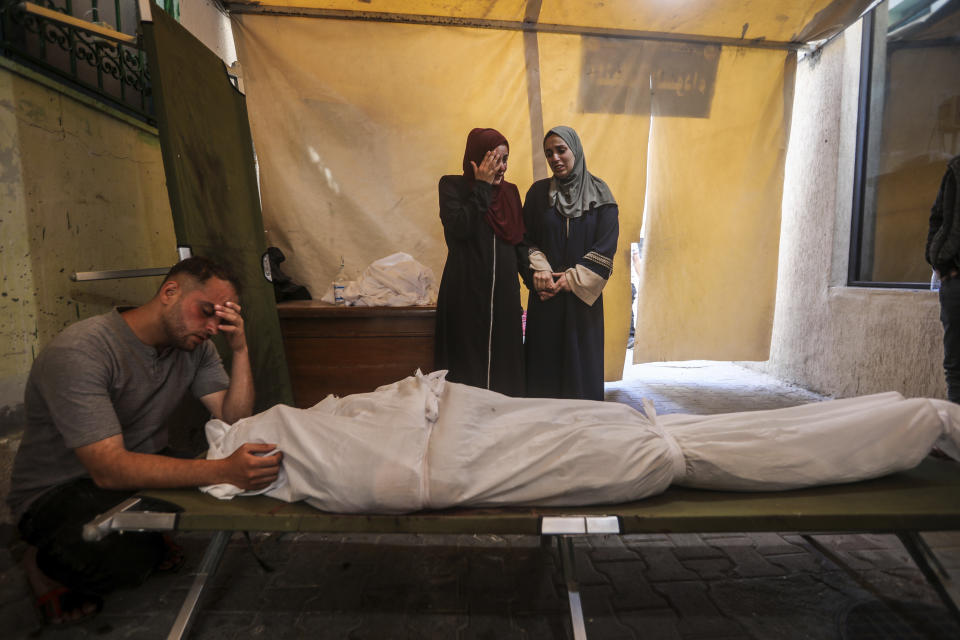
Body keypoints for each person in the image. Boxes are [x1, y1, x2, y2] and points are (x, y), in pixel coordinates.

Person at [201, 370, 960, 514]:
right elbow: (374, 473)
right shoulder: (258, 448)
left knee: (658, 437)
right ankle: (922, 420)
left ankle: (923, 419)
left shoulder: (256, 433)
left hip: (471, 429)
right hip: (461, 444)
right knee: (674, 444)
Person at [7, 256, 283, 625]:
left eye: (222, 318)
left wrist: (240, 350)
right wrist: (221, 471)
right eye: (207, 312)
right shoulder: (82, 351)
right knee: (123, 564)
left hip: (135, 469)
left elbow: (234, 420)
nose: (214, 327)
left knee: (220, 499)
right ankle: (42, 564)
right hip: (60, 488)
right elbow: (108, 469)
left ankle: (146, 533)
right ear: (170, 292)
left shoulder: (195, 347)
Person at [522, 126, 619, 400]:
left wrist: (570, 280)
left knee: (580, 375)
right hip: (545, 296)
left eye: (561, 150)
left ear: (575, 149)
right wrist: (540, 272)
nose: (555, 158)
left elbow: (606, 245)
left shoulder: (601, 195)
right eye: (549, 153)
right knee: (544, 375)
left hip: (581, 302)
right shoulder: (538, 195)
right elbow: (524, 239)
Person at [435, 128, 526, 395]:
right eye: (493, 160)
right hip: (465, 294)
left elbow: (518, 241)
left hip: (504, 300)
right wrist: (482, 187)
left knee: (505, 370)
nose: (501, 168)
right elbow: (461, 227)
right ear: (475, 159)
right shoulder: (452, 187)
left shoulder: (511, 193)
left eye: (505, 160)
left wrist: (534, 278)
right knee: (467, 368)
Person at [926, 154, 960, 403]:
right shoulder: (956, 170)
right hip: (955, 279)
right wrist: (937, 259)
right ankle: (955, 433)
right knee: (955, 365)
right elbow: (937, 216)